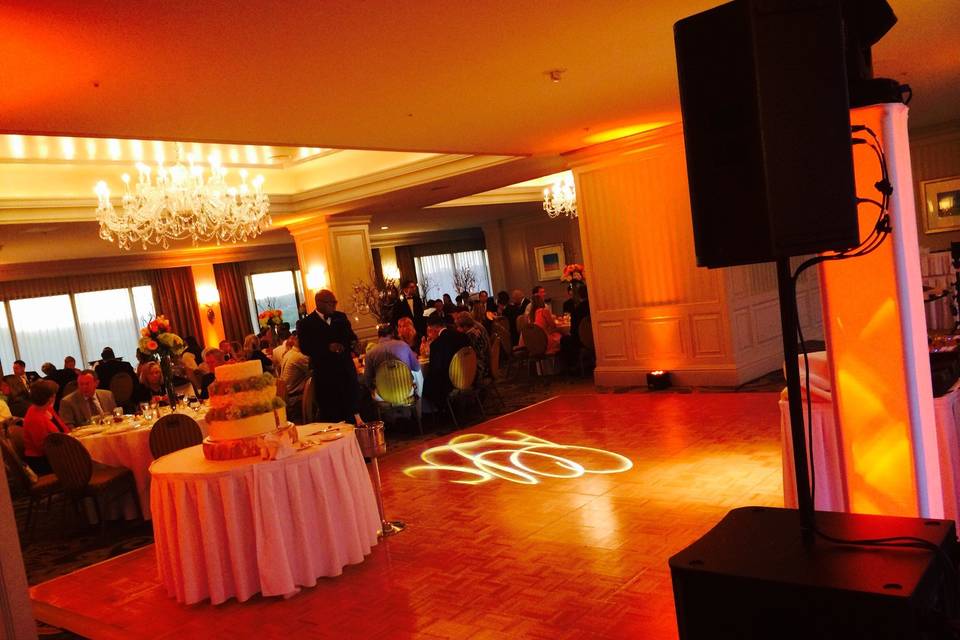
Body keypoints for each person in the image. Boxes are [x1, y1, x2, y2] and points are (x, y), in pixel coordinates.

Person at [297, 289, 362, 423]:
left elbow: (350, 337)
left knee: (352, 409)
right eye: (331, 303)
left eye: (335, 302)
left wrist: (355, 344)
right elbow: (304, 348)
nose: (334, 305)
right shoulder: (305, 324)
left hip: (346, 371)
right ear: (319, 303)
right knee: (332, 414)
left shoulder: (341, 317)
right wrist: (326, 348)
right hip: (325, 375)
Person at [421, 313, 470, 412]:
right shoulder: (462, 336)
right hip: (467, 375)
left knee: (423, 386)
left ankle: (439, 412)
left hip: (450, 382)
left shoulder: (437, 344)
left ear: (433, 329)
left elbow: (435, 370)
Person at [22, 380, 69, 475]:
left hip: (56, 453)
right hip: (43, 462)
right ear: (51, 398)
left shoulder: (47, 408)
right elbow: (43, 447)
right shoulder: (34, 418)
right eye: (54, 394)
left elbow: (64, 429)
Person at [363, 324, 422, 396]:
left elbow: (367, 381)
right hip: (406, 391)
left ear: (378, 336)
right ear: (393, 334)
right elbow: (416, 367)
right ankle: (421, 398)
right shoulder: (403, 345)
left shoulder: (370, 353)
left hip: (384, 395)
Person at [280, 334, 311, 424]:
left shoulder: (288, 354)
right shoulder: (299, 357)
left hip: (286, 397)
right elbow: (314, 371)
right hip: (295, 400)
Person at [455, 313, 491, 382]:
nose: (457, 329)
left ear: (465, 327)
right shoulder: (475, 330)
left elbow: (471, 355)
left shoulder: (471, 336)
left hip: (480, 367)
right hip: (485, 362)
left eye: (458, 327)